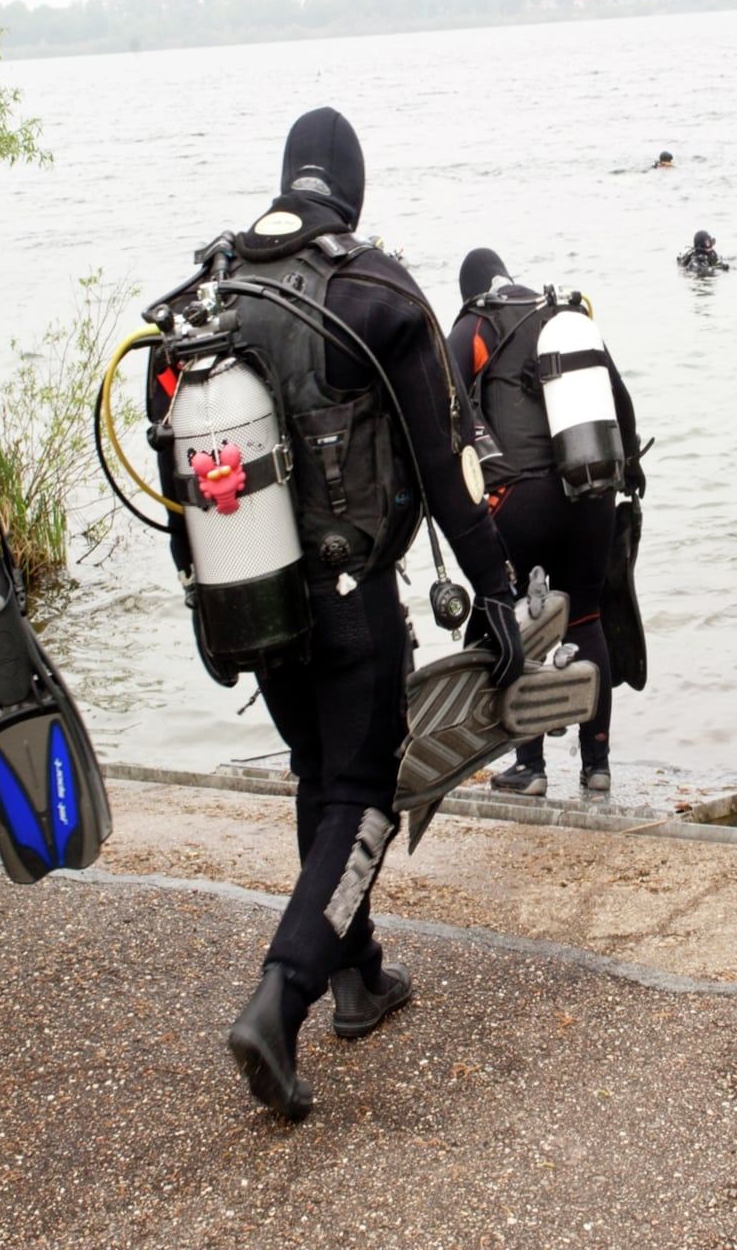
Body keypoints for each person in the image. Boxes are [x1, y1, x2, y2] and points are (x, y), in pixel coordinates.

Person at [147, 109, 524, 1122]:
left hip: (249, 591)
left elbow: (170, 466)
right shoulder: (372, 288)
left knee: (316, 769)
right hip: (350, 598)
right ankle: (281, 997)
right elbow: (448, 469)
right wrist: (495, 596)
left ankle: (357, 976)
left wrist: (203, 598)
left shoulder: (205, 293)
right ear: (350, 188)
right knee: (361, 791)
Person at [449, 249, 645, 797]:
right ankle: (597, 763)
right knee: (585, 617)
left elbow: (441, 406)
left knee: (523, 622)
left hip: (518, 498)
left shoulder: (475, 324)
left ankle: (530, 766)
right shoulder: (562, 315)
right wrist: (629, 468)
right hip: (591, 488)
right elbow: (619, 398)